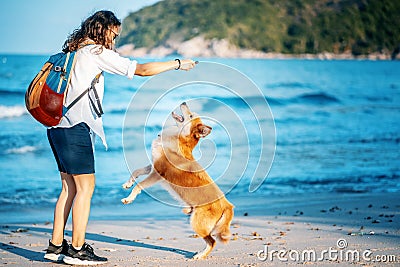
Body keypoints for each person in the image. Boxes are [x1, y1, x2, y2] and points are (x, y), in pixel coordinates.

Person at [43, 10, 196, 265]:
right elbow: (142, 70)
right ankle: (78, 250)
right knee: (85, 189)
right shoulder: (95, 53)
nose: (114, 38)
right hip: (77, 129)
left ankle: (55, 245)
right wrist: (177, 64)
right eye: (114, 32)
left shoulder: (71, 52)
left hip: (57, 127)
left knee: (68, 188)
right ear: (103, 29)